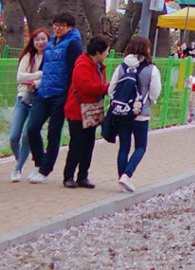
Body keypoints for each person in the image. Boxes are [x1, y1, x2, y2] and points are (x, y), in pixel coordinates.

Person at [22, 11, 82, 183]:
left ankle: (46, 170)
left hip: (60, 95)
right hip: (43, 93)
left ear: (70, 27)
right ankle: (40, 161)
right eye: (55, 25)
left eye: (61, 25)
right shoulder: (50, 44)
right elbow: (45, 67)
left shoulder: (73, 44)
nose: (57, 28)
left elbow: (74, 70)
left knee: (53, 134)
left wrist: (68, 93)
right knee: (32, 128)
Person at [104, 37, 162, 193]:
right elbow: (155, 92)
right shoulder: (151, 69)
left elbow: (111, 90)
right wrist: (148, 101)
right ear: (147, 49)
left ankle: (121, 177)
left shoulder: (122, 67)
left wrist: (122, 102)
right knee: (141, 146)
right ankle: (127, 175)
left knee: (124, 147)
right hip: (140, 113)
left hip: (122, 113)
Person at [61, 35, 110, 189]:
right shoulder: (83, 65)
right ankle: (68, 176)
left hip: (90, 110)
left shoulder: (97, 66)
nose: (108, 54)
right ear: (98, 52)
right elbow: (86, 86)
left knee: (88, 144)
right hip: (77, 110)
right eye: (106, 51)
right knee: (77, 143)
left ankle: (83, 176)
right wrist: (108, 87)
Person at [10, 25, 47, 181]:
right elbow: (20, 77)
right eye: (37, 39)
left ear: (48, 40)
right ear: (32, 41)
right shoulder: (28, 56)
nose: (40, 42)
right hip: (22, 98)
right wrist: (39, 75)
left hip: (39, 101)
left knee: (27, 136)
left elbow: (49, 77)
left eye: (43, 39)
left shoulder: (50, 57)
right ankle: (21, 160)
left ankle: (17, 169)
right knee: (13, 136)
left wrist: (35, 79)